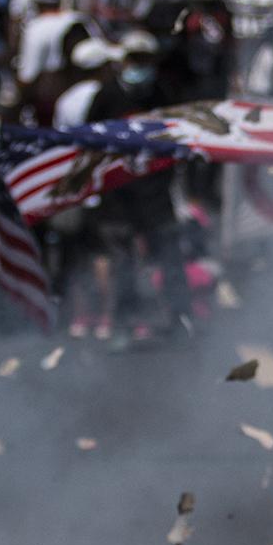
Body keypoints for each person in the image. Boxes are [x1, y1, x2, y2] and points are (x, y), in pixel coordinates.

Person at [87, 30, 191, 346]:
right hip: (118, 196)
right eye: (135, 60)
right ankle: (122, 323)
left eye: (146, 60)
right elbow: (89, 141)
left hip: (156, 193)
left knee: (170, 258)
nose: (140, 66)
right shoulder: (106, 96)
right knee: (122, 265)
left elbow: (179, 136)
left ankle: (178, 320)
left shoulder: (163, 93)